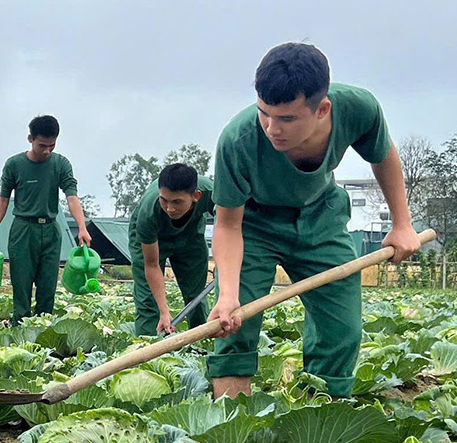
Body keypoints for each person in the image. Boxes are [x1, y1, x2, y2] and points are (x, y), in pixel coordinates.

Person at [208, 43, 421, 398]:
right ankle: (230, 426)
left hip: (322, 216)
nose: (272, 128)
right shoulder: (238, 140)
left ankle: (318, 423)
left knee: (341, 326)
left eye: (287, 119)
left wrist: (402, 224)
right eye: (264, 113)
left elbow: (383, 155)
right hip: (254, 225)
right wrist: (228, 295)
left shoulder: (359, 109)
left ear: (322, 109)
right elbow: (228, 225)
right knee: (235, 325)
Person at [0, 115, 92, 323]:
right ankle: (19, 328)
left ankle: (43, 329)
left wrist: (82, 227)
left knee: (48, 285)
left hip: (51, 230)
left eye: (52, 145)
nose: (46, 151)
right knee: (21, 284)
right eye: (42, 145)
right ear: (30, 139)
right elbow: (3, 201)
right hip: (23, 229)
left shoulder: (61, 164)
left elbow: (72, 197)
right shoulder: (14, 164)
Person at [130, 162, 216, 336]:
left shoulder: (212, 193)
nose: (170, 208)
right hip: (153, 240)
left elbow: (232, 226)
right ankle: (148, 349)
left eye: (177, 202)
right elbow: (152, 265)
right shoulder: (148, 212)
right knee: (148, 299)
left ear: (196, 196)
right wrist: (164, 311)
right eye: (164, 200)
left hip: (190, 236)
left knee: (196, 295)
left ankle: (200, 342)